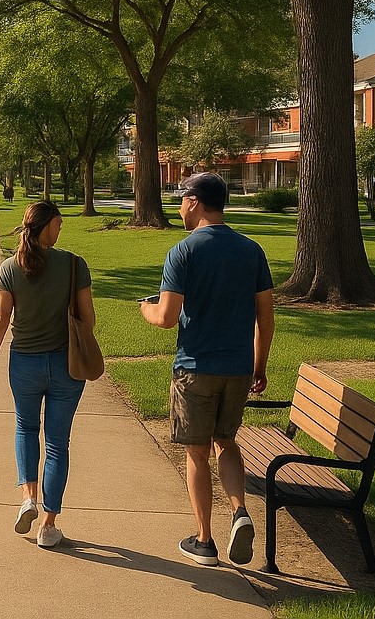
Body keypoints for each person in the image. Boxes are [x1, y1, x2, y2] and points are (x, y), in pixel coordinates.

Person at [140, 172, 275, 568]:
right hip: (238, 370)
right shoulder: (252, 251)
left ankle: (204, 541)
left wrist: (145, 309)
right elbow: (265, 319)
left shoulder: (184, 252)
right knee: (227, 443)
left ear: (195, 201)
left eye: (182, 198)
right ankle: (240, 512)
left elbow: (166, 317)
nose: (179, 206)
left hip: (195, 370)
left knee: (197, 453)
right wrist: (258, 366)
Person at [0, 201, 94, 549]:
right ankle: (48, 525)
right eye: (58, 224)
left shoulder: (9, 268)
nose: (61, 230)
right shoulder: (74, 265)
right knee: (58, 444)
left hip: (24, 363)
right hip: (66, 365)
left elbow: (1, 320)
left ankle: (28, 498)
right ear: (45, 226)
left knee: (26, 428)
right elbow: (88, 321)